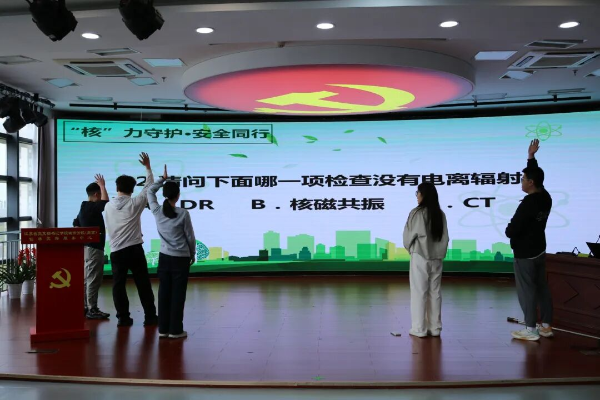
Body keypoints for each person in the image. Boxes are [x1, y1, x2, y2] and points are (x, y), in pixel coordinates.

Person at [505, 139, 553, 341]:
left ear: (531, 182)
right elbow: (536, 175)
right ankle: (546, 326)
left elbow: (512, 230)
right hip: (539, 249)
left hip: (525, 253)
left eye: (523, 179)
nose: (522, 181)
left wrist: (509, 230)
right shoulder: (545, 196)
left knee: (527, 291)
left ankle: (531, 329)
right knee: (541, 288)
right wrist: (531, 157)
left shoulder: (528, 204)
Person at [104, 152, 157, 327]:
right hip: (134, 249)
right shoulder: (135, 203)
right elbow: (149, 186)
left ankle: (123, 318)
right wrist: (147, 167)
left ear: (116, 187)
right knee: (143, 283)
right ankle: (150, 317)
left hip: (116, 251)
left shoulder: (108, 206)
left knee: (118, 285)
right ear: (132, 189)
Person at [148, 165, 196, 339]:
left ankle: (163, 329)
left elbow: (150, 191)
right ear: (178, 195)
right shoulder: (183, 213)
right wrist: (192, 254)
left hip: (164, 258)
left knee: (164, 293)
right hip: (180, 259)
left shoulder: (156, 211)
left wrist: (162, 180)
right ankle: (176, 330)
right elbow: (190, 236)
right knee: (178, 295)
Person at [403, 182, 449, 338]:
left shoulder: (417, 213)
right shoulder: (440, 213)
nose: (417, 196)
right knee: (435, 292)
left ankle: (419, 328)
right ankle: (435, 328)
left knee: (419, 292)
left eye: (418, 192)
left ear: (423, 195)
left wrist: (409, 248)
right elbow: (445, 237)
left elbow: (409, 236)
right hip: (437, 257)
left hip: (420, 255)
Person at [73, 174, 110, 320]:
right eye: (100, 194)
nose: (101, 196)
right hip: (94, 248)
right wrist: (102, 185)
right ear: (96, 194)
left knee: (87, 279)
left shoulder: (83, 206)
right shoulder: (92, 207)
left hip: (87, 248)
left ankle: (85, 306)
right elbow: (105, 202)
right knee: (93, 279)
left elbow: (75, 222)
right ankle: (92, 309)